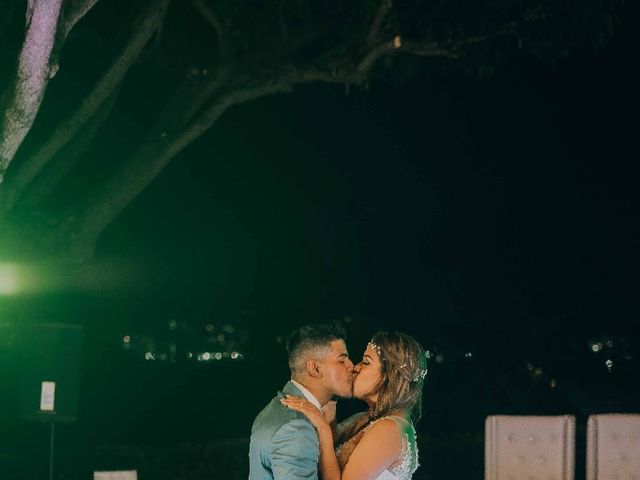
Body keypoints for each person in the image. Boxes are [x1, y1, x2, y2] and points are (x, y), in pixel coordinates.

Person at [281, 331, 427, 480]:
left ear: (388, 376)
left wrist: (323, 428)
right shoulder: (365, 419)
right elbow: (330, 451)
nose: (355, 367)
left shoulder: (388, 430)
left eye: (366, 362)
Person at [249, 323, 355, 479]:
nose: (351, 366)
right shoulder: (295, 427)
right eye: (341, 360)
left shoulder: (279, 407)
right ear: (315, 369)